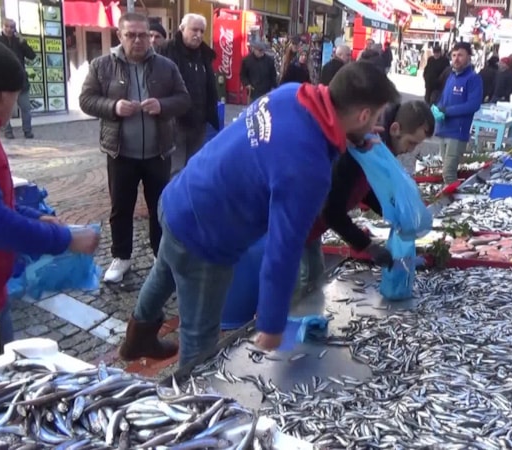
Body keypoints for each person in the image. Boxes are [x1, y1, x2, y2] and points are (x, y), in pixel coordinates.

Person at [117, 62, 400, 367]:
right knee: (200, 341)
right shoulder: (309, 169)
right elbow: (284, 247)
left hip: (180, 196)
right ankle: (192, 403)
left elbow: (294, 141)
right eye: (376, 116)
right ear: (363, 115)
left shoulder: (292, 94)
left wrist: (353, 139)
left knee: (166, 268)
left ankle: (137, 339)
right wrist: (271, 322)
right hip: (207, 235)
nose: (376, 126)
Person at [0, 41, 100, 349]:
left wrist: (33, 216)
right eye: (16, 97)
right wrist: (65, 239)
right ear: (3, 94)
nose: (15, 106)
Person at [79, 13, 191, 283]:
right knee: (121, 207)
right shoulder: (102, 65)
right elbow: (86, 99)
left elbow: (184, 99)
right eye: (131, 35)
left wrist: (163, 106)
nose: (139, 40)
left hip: (158, 151)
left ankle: (160, 256)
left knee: (159, 207)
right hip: (120, 152)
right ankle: (121, 257)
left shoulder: (166, 66)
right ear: (120, 35)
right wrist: (113, 107)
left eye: (143, 35)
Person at [297, 100, 436, 296]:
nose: (411, 150)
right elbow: (331, 212)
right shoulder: (362, 146)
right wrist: (368, 247)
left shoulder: (380, 150)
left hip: (312, 226)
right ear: (395, 129)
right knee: (296, 287)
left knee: (315, 277)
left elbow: (365, 187)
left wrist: (394, 215)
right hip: (294, 221)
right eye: (411, 142)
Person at [156, 13, 219, 177]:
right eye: (194, 30)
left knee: (194, 167)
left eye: (201, 31)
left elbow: (209, 87)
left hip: (199, 121)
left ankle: (187, 201)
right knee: (175, 170)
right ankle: (172, 202)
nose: (198, 35)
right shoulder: (166, 51)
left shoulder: (205, 54)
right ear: (182, 29)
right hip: (175, 121)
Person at [434, 42, 483, 185]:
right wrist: (437, 108)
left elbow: (473, 105)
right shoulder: (451, 76)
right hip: (443, 128)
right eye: (454, 55)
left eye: (460, 55)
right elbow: (444, 99)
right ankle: (450, 202)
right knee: (446, 169)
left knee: (448, 173)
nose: (456, 59)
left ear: (469, 57)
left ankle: (455, 205)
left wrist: (447, 111)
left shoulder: (473, 78)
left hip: (457, 132)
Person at [0, 19, 36, 139]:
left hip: (20, 80)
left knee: (26, 108)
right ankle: (8, 131)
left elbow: (32, 55)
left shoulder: (18, 41)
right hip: (4, 80)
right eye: (7, 26)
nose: (9, 29)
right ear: (3, 27)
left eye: (12, 27)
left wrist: (23, 42)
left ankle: (27, 131)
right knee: (5, 108)